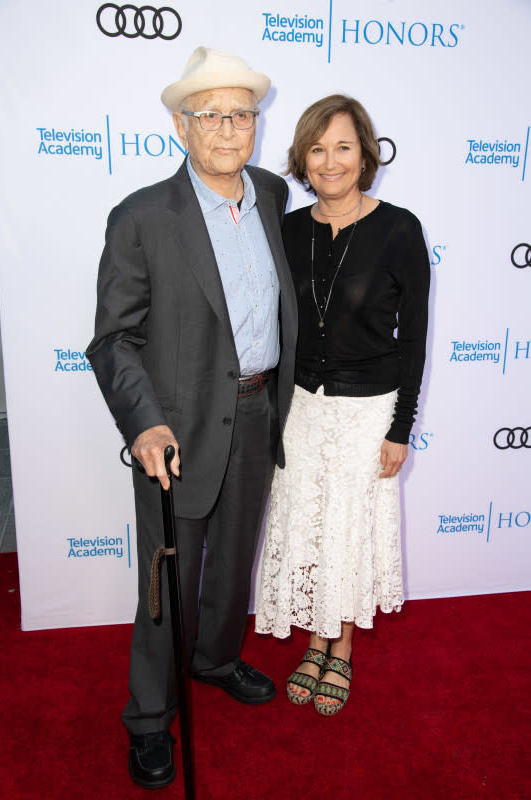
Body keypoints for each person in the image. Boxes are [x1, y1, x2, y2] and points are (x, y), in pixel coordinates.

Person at [86, 47, 297, 787]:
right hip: (173, 433)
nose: (228, 130)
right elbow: (113, 337)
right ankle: (148, 716)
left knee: (234, 560)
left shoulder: (271, 195)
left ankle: (214, 659)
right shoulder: (143, 216)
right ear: (181, 126)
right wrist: (143, 422)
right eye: (210, 115)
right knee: (164, 582)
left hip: (258, 409)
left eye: (241, 114)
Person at [255, 94, 430, 716]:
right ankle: (313, 637)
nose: (330, 161)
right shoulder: (289, 229)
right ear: (304, 158)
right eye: (317, 148)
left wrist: (401, 428)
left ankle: (342, 647)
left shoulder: (400, 228)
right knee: (308, 524)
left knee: (349, 533)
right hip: (301, 408)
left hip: (368, 411)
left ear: (366, 155)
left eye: (343, 147)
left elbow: (413, 338)